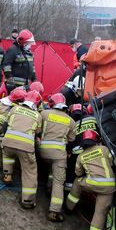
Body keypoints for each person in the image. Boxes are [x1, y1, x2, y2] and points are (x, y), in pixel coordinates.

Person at [66, 129, 116, 230]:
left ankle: (68, 207)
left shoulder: (81, 156)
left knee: (77, 182)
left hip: (92, 183)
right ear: (96, 140)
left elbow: (78, 173)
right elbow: (112, 162)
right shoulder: (104, 149)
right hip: (109, 187)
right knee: (100, 213)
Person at [2, 90, 42, 208]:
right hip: (26, 148)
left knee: (7, 155)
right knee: (29, 172)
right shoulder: (38, 116)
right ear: (37, 103)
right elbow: (38, 133)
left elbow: (5, 125)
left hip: (8, 142)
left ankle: (7, 176)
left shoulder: (14, 109)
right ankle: (27, 201)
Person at [39, 93, 76, 222]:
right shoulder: (71, 121)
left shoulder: (44, 114)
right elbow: (71, 140)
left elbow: (37, 130)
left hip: (43, 151)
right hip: (59, 155)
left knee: (48, 168)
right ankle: (54, 211)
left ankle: (46, 187)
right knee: (59, 182)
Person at [65, 103, 98, 190]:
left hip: (76, 155)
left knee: (71, 171)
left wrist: (68, 151)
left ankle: (68, 188)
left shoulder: (72, 124)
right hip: (94, 151)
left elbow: (70, 141)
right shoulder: (93, 119)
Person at [0, 88, 27, 173]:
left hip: (4, 135)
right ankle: (8, 173)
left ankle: (7, 173)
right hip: (7, 136)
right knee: (8, 156)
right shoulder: (17, 109)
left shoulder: (2, 102)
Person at [2, 29, 36, 94]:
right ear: (22, 42)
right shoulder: (13, 50)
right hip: (13, 86)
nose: (29, 45)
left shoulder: (28, 53)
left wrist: (34, 79)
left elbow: (32, 66)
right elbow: (6, 64)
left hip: (25, 87)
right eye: (28, 43)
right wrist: (9, 78)